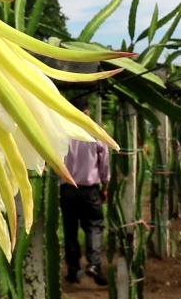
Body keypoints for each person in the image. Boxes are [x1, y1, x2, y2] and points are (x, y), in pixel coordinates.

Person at [60, 97, 109, 286]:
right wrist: (105, 186)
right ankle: (94, 263)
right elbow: (104, 162)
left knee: (70, 230)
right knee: (94, 225)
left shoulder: (62, 131)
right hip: (90, 191)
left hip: (67, 190)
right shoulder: (95, 131)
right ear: (86, 111)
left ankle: (73, 270)